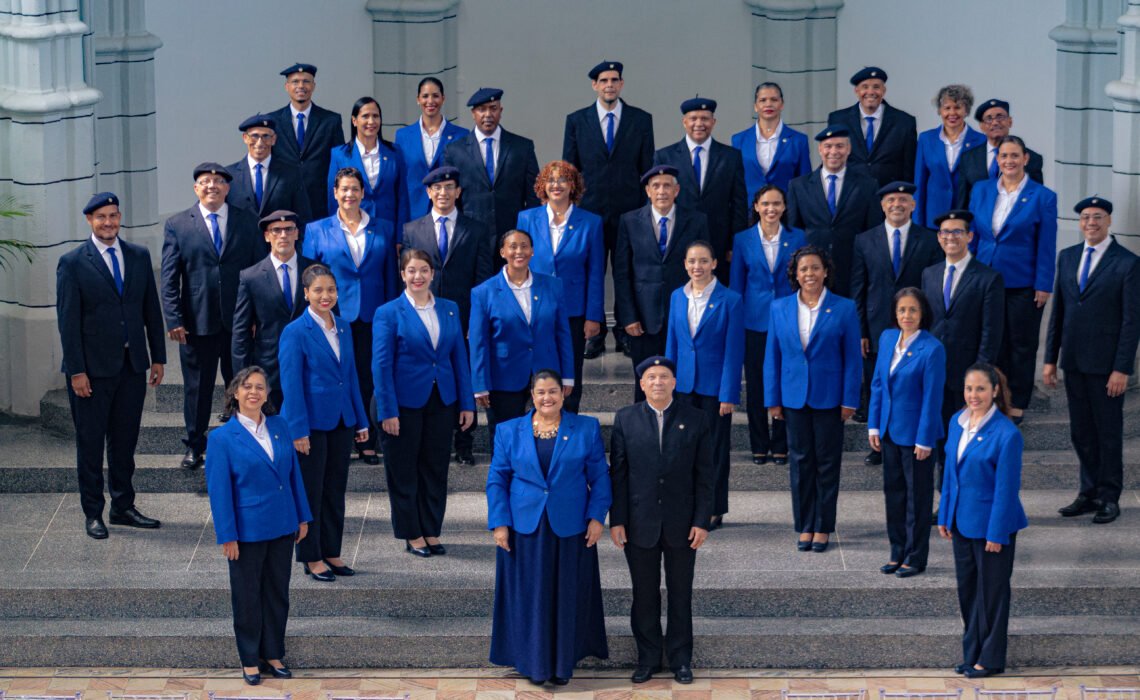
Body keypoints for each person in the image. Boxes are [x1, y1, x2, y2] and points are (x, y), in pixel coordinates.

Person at [486, 370, 611, 686]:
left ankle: (561, 663)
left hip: (570, 527)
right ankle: (532, 663)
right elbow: (497, 480)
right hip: (523, 528)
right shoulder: (508, 430)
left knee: (565, 595)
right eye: (541, 392)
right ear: (531, 393)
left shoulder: (585, 428)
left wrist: (597, 517)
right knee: (529, 597)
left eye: (553, 391)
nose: (547, 398)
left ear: (563, 393)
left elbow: (600, 478)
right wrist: (499, 523)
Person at [57, 192, 166, 539]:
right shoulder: (73, 262)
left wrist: (158, 357)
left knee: (124, 442)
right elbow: (68, 322)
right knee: (90, 445)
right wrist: (76, 370)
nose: (109, 223)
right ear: (89, 220)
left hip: (131, 366)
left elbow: (151, 308)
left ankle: (123, 506)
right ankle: (93, 513)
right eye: (101, 217)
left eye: (114, 216)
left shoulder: (137, 255)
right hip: (91, 372)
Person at [610, 356, 714, 685]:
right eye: (651, 377)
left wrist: (702, 520)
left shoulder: (695, 419)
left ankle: (681, 659)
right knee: (644, 593)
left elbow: (706, 475)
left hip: (682, 522)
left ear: (674, 382)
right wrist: (618, 520)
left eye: (664, 376)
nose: (657, 382)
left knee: (680, 593)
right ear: (641, 384)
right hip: (640, 521)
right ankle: (648, 658)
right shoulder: (626, 418)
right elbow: (619, 475)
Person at [205, 366, 311, 686]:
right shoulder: (222, 438)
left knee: (277, 592)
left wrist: (302, 515)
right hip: (247, 531)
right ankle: (250, 658)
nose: (254, 392)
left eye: (260, 387)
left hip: (282, 523)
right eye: (247, 387)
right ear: (234, 394)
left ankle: (273, 652)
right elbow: (219, 490)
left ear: (267, 394)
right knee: (247, 595)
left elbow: (294, 475)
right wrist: (228, 534)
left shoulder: (279, 425)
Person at [373, 249, 476, 557]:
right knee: (404, 469)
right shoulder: (388, 312)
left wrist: (467, 403)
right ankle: (412, 532)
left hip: (442, 399)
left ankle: (431, 529)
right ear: (402, 275)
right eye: (411, 271)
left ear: (433, 273)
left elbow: (459, 356)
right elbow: (381, 364)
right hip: (403, 403)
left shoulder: (449, 308)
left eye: (424, 270)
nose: (418, 276)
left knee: (435, 467)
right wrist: (387, 410)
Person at [161, 163, 264, 470]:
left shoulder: (247, 221)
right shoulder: (178, 224)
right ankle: (194, 444)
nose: (212, 186)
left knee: (244, 384)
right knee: (197, 389)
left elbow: (257, 270)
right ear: (196, 188)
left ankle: (246, 440)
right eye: (205, 182)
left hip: (240, 320)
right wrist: (173, 319)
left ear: (227, 188)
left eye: (219, 182)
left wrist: (257, 314)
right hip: (196, 322)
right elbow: (169, 276)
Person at [1045, 197, 1140, 525]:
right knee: (1081, 432)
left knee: (1108, 433)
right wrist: (1049, 359)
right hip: (1073, 361)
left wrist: (1122, 367)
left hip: (1106, 366)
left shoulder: (1127, 263)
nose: (1091, 223)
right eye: (1085, 217)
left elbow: (1131, 322)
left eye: (1097, 217)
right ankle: (1088, 492)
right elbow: (1059, 312)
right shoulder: (1068, 257)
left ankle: (1109, 496)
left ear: (1108, 221)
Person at [764, 246, 861, 553]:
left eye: (815, 268)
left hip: (830, 397)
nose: (810, 274)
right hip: (793, 397)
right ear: (796, 274)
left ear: (826, 271)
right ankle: (805, 524)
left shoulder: (844, 308)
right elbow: (772, 357)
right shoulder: (779, 307)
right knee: (800, 462)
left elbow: (852, 360)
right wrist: (773, 399)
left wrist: (850, 399)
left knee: (828, 463)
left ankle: (823, 526)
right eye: (804, 269)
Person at [278, 265, 369, 582]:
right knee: (310, 492)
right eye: (318, 290)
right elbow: (291, 385)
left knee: (334, 490)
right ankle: (310, 555)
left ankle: (332, 550)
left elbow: (352, 377)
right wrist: (298, 429)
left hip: (342, 419)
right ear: (305, 294)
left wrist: (360, 419)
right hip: (311, 424)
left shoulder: (343, 326)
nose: (325, 296)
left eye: (330, 289)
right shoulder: (295, 332)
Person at [303, 166, 398, 465]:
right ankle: (345, 435)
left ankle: (367, 438)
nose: (349, 194)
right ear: (335, 193)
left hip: (374, 314)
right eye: (344, 189)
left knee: (370, 376)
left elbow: (390, 276)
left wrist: (392, 313)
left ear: (362, 193)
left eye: (354, 189)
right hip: (333, 315)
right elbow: (309, 276)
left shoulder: (382, 227)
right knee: (338, 375)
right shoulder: (316, 229)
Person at [938, 363, 1027, 679]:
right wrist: (945, 513)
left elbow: (1006, 489)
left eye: (980, 389)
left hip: (992, 526)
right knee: (968, 592)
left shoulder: (1006, 434)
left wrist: (997, 532)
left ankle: (990, 659)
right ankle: (971, 653)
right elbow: (950, 473)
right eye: (968, 388)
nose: (973, 395)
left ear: (994, 391)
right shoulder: (957, 422)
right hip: (962, 523)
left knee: (992, 595)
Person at [562, 60, 655, 359]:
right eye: (604, 80)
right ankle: (596, 331)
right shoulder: (577, 120)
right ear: (595, 85)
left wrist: (645, 210)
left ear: (622, 84)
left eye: (615, 79)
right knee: (593, 270)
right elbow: (570, 169)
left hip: (630, 210)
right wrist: (571, 210)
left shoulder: (640, 119)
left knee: (626, 270)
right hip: (590, 212)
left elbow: (647, 169)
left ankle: (624, 330)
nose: (609, 85)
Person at [402, 165, 493, 465]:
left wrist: (475, 322)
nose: (443, 193)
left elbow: (482, 279)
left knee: (462, 375)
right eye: (437, 188)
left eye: (449, 187)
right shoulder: (412, 230)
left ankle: (464, 443)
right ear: (428, 192)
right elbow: (407, 277)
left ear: (458, 192)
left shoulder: (476, 228)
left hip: (462, 317)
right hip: (422, 316)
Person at [968, 135, 1058, 422]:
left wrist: (1043, 284)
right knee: (991, 340)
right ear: (997, 160)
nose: (1009, 161)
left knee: (1021, 343)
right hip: (985, 278)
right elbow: (974, 237)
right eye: (1004, 156)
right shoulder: (981, 190)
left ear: (1025, 159)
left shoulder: (1042, 196)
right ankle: (992, 398)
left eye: (1015, 156)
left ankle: (1016, 401)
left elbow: (1046, 244)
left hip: (1022, 281)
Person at [851, 181, 942, 457]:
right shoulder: (864, 240)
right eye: (891, 200)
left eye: (903, 200)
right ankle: (878, 444)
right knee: (879, 384)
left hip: (916, 328)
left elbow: (933, 289)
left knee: (911, 387)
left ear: (913, 205)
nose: (897, 205)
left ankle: (912, 438)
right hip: (877, 325)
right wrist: (861, 330)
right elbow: (858, 288)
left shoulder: (928, 239)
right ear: (882, 205)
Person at [613, 164, 711, 400]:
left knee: (681, 380)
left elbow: (704, 270)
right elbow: (622, 272)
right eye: (656, 186)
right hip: (643, 318)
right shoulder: (629, 221)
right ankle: (646, 433)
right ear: (647, 191)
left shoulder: (696, 220)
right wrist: (628, 316)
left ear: (676, 190)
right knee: (646, 380)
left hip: (685, 315)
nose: (662, 191)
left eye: (667, 185)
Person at [469, 230, 575, 445]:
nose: (519, 251)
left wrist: (568, 375)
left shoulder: (552, 285)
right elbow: (479, 342)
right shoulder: (484, 292)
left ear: (532, 251)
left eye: (525, 246)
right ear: (502, 252)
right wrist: (479, 383)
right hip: (504, 375)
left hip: (547, 372)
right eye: (513, 246)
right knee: (506, 438)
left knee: (549, 436)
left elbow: (562, 333)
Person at [665, 241, 744, 530]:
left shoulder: (731, 299)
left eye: (703, 261)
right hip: (683, 386)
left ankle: (714, 508)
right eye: (691, 261)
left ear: (714, 263)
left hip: (714, 389)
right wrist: (667, 385)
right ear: (685, 264)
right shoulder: (677, 296)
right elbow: (672, 343)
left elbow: (734, 352)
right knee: (683, 449)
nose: (696, 267)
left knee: (714, 451)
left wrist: (728, 393)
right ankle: (687, 506)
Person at [921, 210, 1005, 482]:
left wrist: (979, 375)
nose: (950, 238)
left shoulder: (988, 277)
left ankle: (964, 501)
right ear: (938, 237)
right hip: (935, 373)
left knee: (967, 441)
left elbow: (991, 331)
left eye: (957, 232)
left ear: (969, 236)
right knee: (942, 438)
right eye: (945, 233)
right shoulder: (929, 274)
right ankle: (945, 501)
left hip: (968, 375)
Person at [867, 288, 946, 577]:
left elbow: (931, 398)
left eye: (913, 310)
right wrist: (874, 425)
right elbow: (877, 384)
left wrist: (925, 438)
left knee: (918, 498)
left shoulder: (932, 348)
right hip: (889, 430)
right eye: (902, 310)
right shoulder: (888, 338)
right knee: (894, 495)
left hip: (917, 438)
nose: (907, 316)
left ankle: (915, 556)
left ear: (922, 313)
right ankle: (896, 551)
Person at [516, 160, 605, 413]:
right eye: (551, 180)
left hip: (574, 311)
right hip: (535, 307)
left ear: (573, 185)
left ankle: (570, 424)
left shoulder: (591, 222)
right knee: (536, 365)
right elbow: (520, 263)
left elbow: (596, 272)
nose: (556, 185)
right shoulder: (527, 218)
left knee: (570, 369)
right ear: (542, 185)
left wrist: (593, 316)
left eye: (563, 179)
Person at [729, 185, 806, 466]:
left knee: (785, 381)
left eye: (776, 204)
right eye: (765, 204)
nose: (771, 209)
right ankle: (759, 445)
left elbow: (802, 279)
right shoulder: (743, 239)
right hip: (754, 321)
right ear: (756, 207)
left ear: (784, 207)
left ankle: (781, 444)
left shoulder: (798, 237)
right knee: (757, 386)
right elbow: (737, 285)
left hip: (789, 319)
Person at [654, 97, 747, 285]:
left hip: (718, 244)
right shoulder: (665, 156)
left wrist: (734, 245)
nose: (699, 124)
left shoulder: (730, 157)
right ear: (684, 122)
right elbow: (657, 204)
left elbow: (738, 204)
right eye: (693, 118)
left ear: (713, 122)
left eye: (705, 119)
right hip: (678, 242)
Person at [786, 126, 884, 296]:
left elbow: (873, 231)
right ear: (820, 149)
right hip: (813, 272)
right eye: (828, 146)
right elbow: (794, 231)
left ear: (848, 149)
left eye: (839, 146)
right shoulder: (798, 186)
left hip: (853, 268)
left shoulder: (867, 185)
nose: (834, 151)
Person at [231, 211, 314, 410]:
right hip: (270, 369)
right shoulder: (251, 277)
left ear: (297, 234)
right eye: (276, 230)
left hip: (311, 366)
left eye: (288, 230)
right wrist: (243, 378)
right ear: (267, 236)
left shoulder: (315, 271)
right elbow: (241, 332)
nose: (283, 235)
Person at [443, 87, 540, 245]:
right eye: (482, 109)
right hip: (471, 237)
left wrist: (527, 233)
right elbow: (451, 196)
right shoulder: (455, 151)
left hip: (513, 236)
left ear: (500, 111)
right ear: (473, 113)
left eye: (493, 108)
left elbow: (533, 196)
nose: (488, 114)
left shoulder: (522, 147)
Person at [267, 63, 345, 220]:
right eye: (295, 82)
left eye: (306, 81)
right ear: (286, 86)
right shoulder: (272, 121)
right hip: (283, 201)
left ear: (314, 86)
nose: (301, 86)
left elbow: (339, 163)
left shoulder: (330, 120)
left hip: (320, 203)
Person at [394, 77, 470, 224]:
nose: (430, 101)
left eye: (435, 96)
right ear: (418, 99)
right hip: (413, 215)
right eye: (425, 96)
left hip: (450, 214)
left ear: (443, 99)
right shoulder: (403, 136)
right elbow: (400, 183)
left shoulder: (461, 135)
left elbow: (465, 178)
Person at [827, 66, 917, 187]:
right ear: (856, 91)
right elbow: (832, 160)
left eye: (876, 87)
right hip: (850, 194)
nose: (871, 92)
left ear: (884, 90)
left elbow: (909, 168)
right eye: (865, 87)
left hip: (889, 198)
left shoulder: (904, 122)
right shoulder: (838, 120)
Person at [326, 97, 406, 228]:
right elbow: (333, 198)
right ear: (354, 120)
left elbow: (402, 197)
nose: (371, 121)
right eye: (365, 116)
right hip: (352, 229)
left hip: (387, 229)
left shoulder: (394, 152)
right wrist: (336, 231)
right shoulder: (339, 154)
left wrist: (400, 237)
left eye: (375, 116)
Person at [913, 85, 986, 228]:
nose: (952, 113)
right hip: (933, 220)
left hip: (968, 219)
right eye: (947, 108)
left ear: (966, 110)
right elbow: (919, 184)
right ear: (940, 110)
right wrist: (917, 225)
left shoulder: (981, 141)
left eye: (958, 107)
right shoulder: (926, 139)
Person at [226, 114, 312, 232]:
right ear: (245, 138)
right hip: (241, 249)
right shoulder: (229, 175)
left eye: (266, 136)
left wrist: (297, 249)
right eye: (255, 136)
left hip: (280, 248)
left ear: (274, 139)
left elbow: (304, 218)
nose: (260, 142)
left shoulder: (291, 173)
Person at [953, 99, 1045, 210]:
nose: (995, 122)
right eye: (989, 119)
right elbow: (963, 202)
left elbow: (1036, 201)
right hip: (977, 225)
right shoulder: (968, 158)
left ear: (1010, 121)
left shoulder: (1032, 159)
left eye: (1000, 117)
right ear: (982, 126)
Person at [732, 82, 812, 201]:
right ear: (755, 106)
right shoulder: (739, 140)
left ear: (782, 104)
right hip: (749, 213)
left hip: (786, 212)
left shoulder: (798, 141)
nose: (768, 104)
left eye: (774, 99)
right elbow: (735, 184)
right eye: (763, 100)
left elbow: (805, 184)